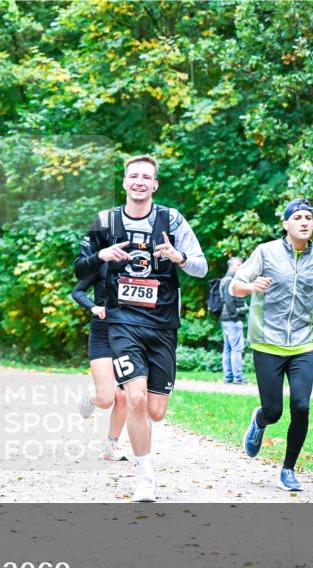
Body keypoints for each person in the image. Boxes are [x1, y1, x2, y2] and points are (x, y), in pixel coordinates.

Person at [74, 155, 207, 502]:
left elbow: (202, 267)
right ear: (124, 182)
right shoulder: (105, 221)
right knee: (133, 397)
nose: (139, 182)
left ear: (155, 185)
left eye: (146, 177)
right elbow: (80, 269)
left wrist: (178, 257)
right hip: (122, 321)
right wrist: (102, 256)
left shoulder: (171, 220)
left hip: (162, 325)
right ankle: (145, 476)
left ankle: (142, 457)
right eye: (134, 176)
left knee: (155, 411)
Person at [231, 197, 313, 492]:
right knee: (273, 411)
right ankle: (259, 421)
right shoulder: (266, 252)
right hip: (267, 343)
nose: (304, 222)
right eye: (298, 218)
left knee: (301, 406)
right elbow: (235, 286)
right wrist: (251, 286)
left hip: (301, 345)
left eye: (308, 218)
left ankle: (288, 469)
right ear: (286, 224)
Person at [72, 263, 130, 461]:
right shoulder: (103, 263)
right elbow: (77, 291)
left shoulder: (143, 266)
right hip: (103, 334)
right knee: (106, 399)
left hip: (131, 334)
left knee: (123, 395)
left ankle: (111, 445)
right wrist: (94, 307)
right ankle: (91, 396)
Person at [219, 257, 248, 384]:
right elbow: (228, 300)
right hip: (232, 320)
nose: (241, 267)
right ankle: (238, 378)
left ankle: (228, 377)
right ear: (232, 266)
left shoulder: (224, 280)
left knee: (228, 349)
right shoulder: (231, 280)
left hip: (225, 319)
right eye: (239, 264)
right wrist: (235, 315)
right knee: (237, 348)